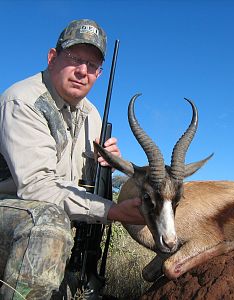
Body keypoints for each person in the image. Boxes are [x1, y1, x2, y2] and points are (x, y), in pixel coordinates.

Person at [0, 19, 144, 299]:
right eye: (75, 58)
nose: (82, 71)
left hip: (54, 217)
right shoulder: (23, 101)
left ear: (99, 74)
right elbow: (37, 188)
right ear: (52, 58)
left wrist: (108, 163)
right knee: (47, 222)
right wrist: (111, 211)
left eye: (92, 66)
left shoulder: (92, 114)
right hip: (16, 213)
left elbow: (81, 183)